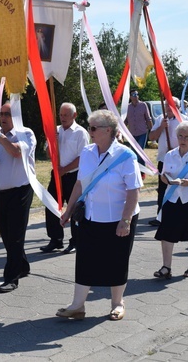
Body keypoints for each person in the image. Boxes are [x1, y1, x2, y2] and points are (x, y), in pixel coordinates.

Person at [56, 110, 141, 321]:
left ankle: (117, 303)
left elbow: (133, 190)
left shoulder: (125, 156)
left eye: (93, 128)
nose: (90, 131)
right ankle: (78, 305)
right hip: (90, 217)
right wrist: (68, 210)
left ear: (108, 130)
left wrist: (125, 220)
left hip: (118, 218)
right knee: (85, 259)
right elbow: (79, 183)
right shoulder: (87, 152)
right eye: (90, 127)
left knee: (117, 260)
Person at [0, 102, 36, 293]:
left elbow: (16, 152)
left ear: (16, 116)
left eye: (7, 114)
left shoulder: (26, 133)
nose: (2, 117)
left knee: (16, 235)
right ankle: (23, 265)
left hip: (20, 191)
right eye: (1, 113)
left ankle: (11, 278)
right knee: (7, 233)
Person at [153, 121, 188, 280]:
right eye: (180, 136)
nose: (183, 139)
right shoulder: (170, 155)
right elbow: (163, 176)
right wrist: (168, 180)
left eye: (187, 137)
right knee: (167, 232)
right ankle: (166, 267)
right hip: (172, 197)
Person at [40, 102, 89, 254]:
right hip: (56, 175)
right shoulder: (55, 131)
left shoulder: (80, 133)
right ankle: (55, 239)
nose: (62, 118)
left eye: (66, 115)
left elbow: (82, 157)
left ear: (74, 115)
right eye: (61, 115)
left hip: (73, 175)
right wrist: (52, 143)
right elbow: (48, 154)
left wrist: (64, 170)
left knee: (73, 207)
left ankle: (75, 240)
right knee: (51, 205)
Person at [147, 100, 180, 226]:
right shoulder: (161, 118)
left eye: (171, 105)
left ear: (176, 107)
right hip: (164, 160)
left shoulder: (183, 119)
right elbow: (152, 137)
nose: (168, 108)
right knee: (162, 189)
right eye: (166, 105)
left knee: (177, 187)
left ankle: (177, 216)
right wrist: (161, 127)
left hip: (178, 160)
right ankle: (160, 216)